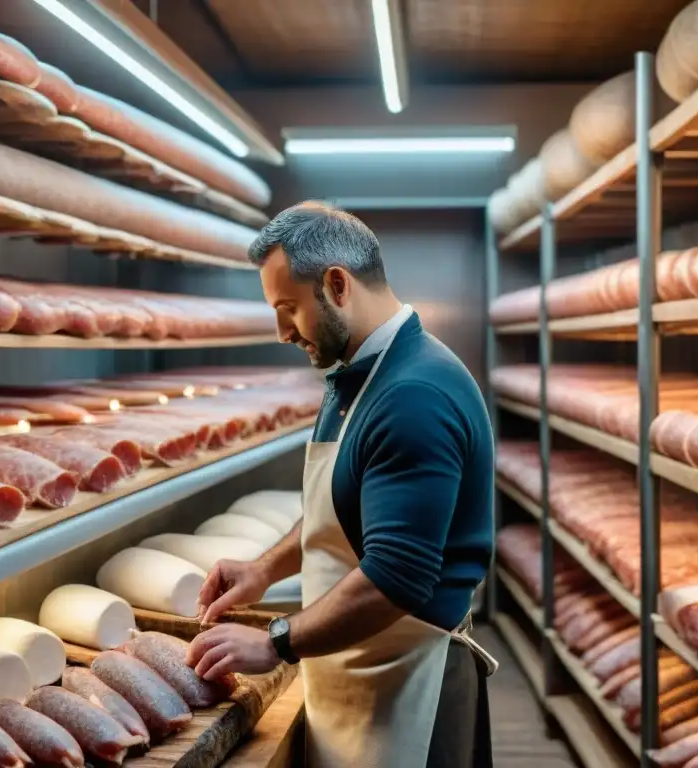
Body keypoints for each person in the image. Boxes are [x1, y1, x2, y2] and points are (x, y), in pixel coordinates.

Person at [187, 201, 497, 768]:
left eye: (288, 308)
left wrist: (275, 642)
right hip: (360, 673)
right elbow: (344, 504)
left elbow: (396, 578)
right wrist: (265, 569)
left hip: (408, 687)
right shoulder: (355, 374)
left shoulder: (413, 395)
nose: (282, 331)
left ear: (336, 285)